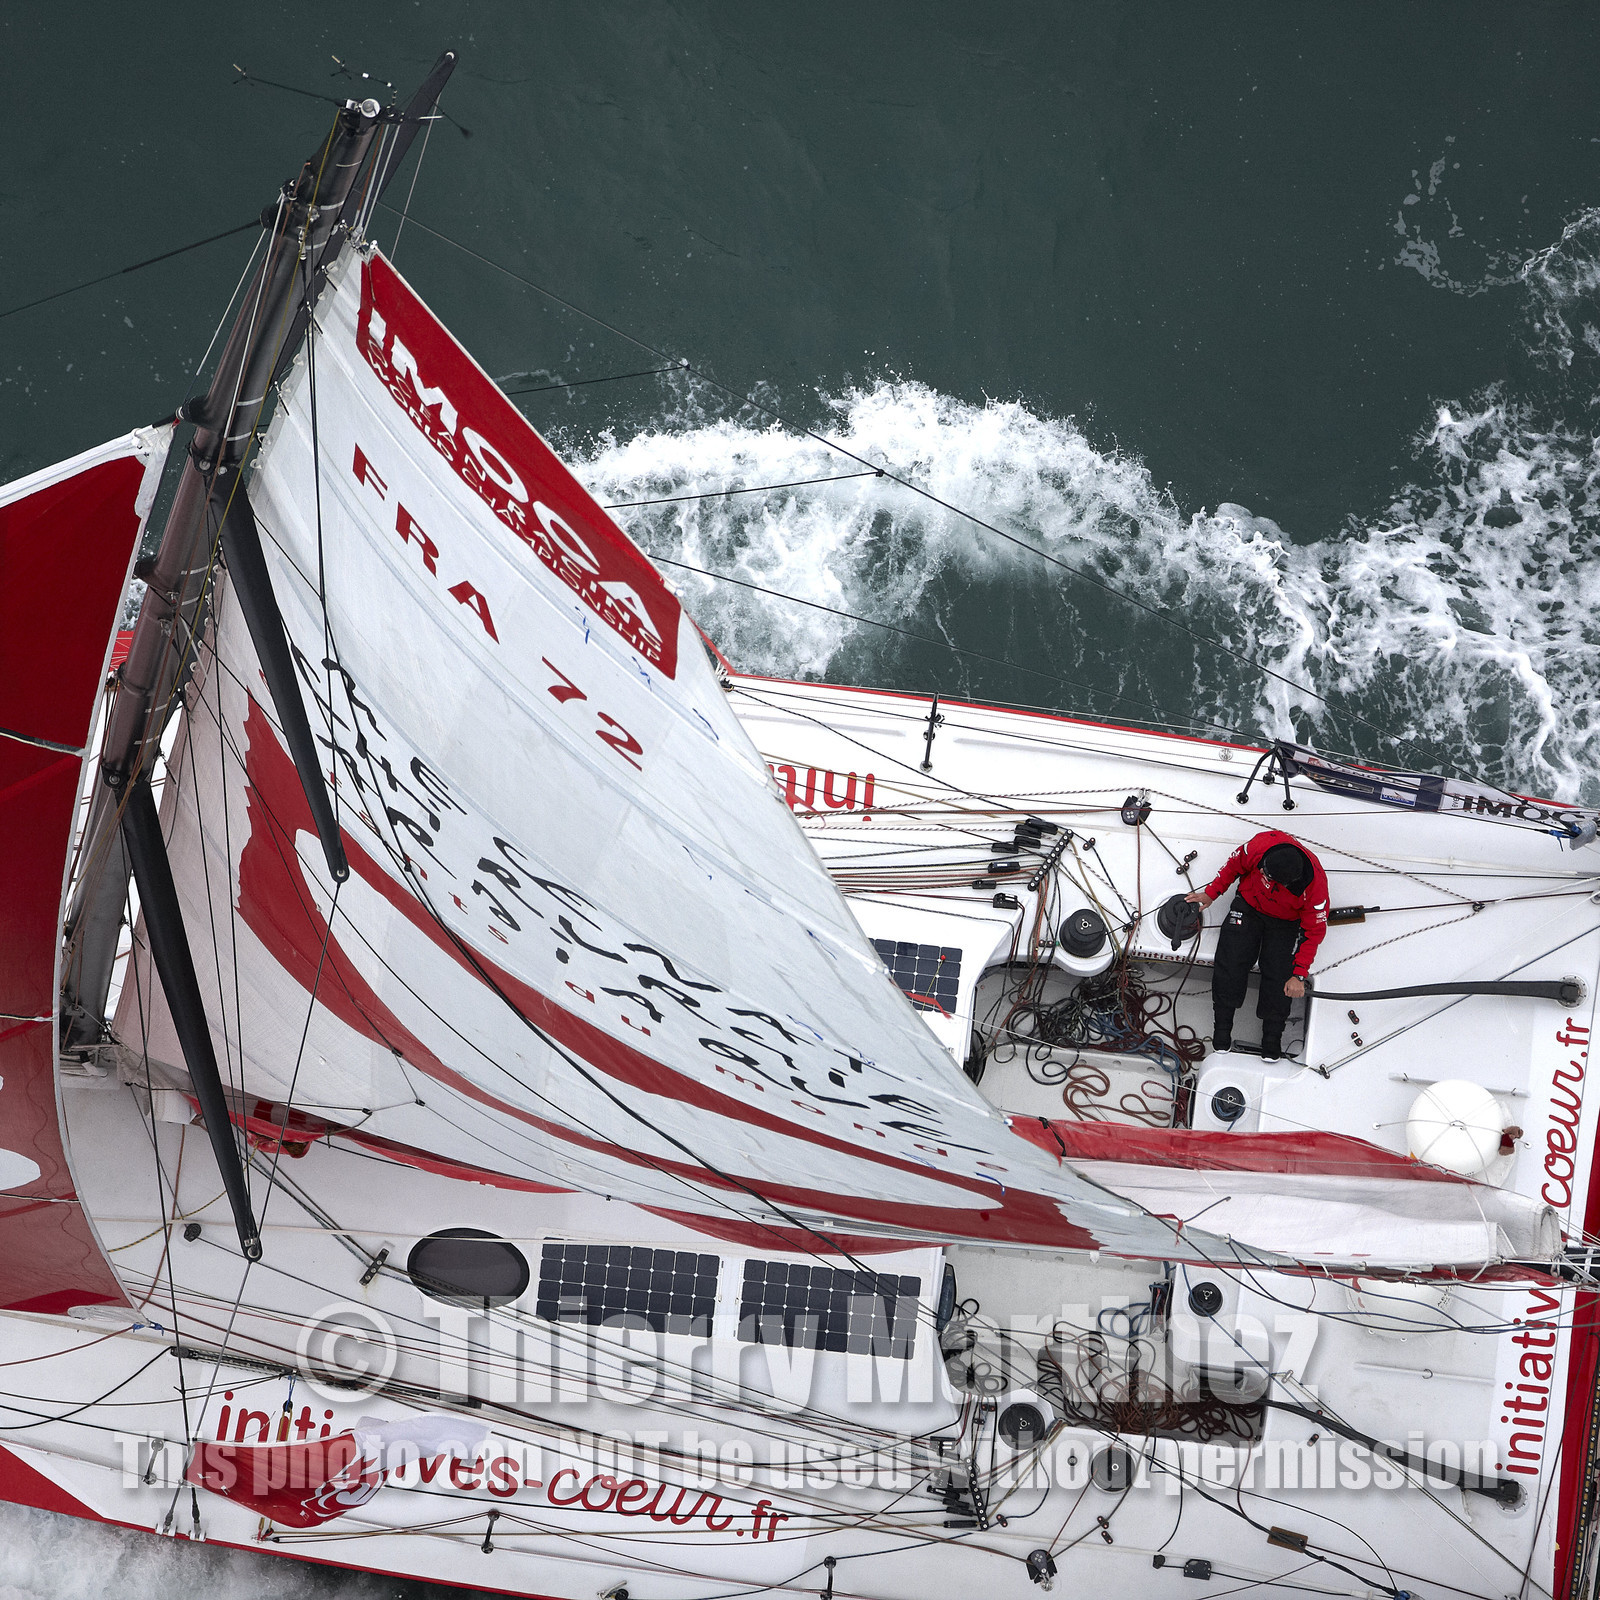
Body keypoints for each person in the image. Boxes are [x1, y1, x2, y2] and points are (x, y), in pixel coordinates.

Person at [1185, 830, 1328, 1060]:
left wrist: (1299, 974)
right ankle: (1222, 1030)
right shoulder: (1263, 844)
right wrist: (1212, 893)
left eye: (1267, 875)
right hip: (1248, 905)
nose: (1261, 871)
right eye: (1263, 868)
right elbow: (1234, 864)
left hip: (1285, 922)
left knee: (1280, 976)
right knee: (1230, 962)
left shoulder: (1315, 889)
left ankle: (1271, 1039)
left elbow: (1315, 932)